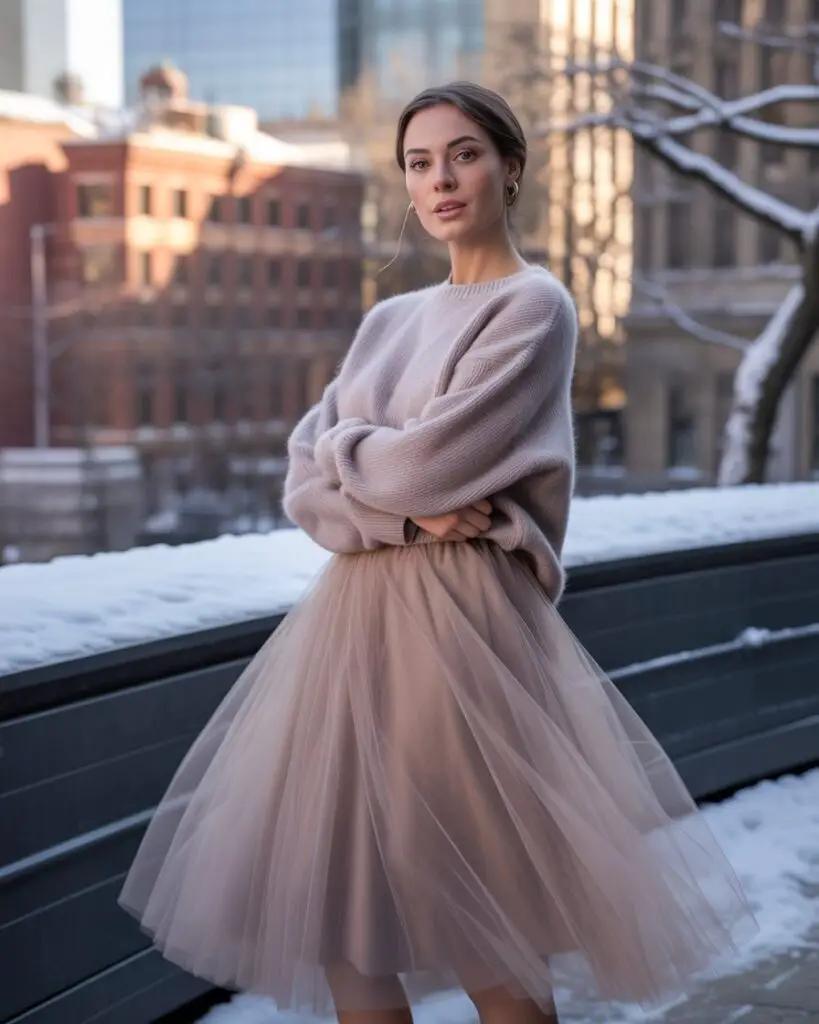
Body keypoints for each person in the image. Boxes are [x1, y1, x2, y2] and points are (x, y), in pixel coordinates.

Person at [120, 82, 756, 1024]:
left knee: (484, 926)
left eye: (462, 154)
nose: (440, 180)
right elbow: (307, 485)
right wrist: (394, 507)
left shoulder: (536, 308)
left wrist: (361, 461)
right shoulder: (388, 321)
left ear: (508, 166)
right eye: (419, 163)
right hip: (351, 631)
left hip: (465, 632)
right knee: (349, 932)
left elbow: (420, 464)